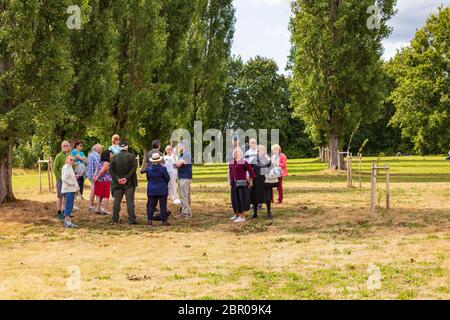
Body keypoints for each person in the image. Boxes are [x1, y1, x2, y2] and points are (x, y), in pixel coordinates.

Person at [109, 141, 138, 225]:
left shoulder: (114, 157)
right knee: (130, 202)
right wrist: (126, 178)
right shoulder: (132, 156)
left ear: (119, 147)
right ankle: (132, 219)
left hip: (117, 183)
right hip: (129, 183)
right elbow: (134, 168)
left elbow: (111, 170)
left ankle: (115, 219)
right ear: (127, 147)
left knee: (116, 202)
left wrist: (118, 179)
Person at [229, 148, 256, 223]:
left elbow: (252, 172)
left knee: (241, 200)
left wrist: (250, 181)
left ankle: (242, 217)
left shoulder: (243, 162)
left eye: (237, 153)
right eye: (234, 153)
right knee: (235, 200)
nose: (236, 154)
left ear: (241, 154)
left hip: (242, 184)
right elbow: (230, 173)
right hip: (234, 184)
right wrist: (230, 181)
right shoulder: (231, 162)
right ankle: (237, 214)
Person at [146, 153, 171, 227]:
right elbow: (167, 178)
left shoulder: (148, 169)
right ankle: (164, 221)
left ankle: (149, 220)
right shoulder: (163, 168)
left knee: (151, 205)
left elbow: (148, 178)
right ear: (159, 160)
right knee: (163, 205)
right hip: (162, 189)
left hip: (151, 189)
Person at [250, 145, 273, 219]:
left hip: (265, 180)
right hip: (256, 180)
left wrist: (268, 158)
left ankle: (269, 212)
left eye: (259, 150)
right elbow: (250, 167)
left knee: (267, 197)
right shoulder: (254, 159)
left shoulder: (267, 158)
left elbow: (269, 166)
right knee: (255, 197)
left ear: (263, 151)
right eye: (257, 150)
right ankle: (255, 213)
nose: (257, 152)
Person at [54, 141, 71, 220]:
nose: (65, 147)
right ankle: (59, 212)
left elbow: (72, 167)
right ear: (61, 147)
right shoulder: (58, 156)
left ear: (69, 147)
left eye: (67, 145)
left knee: (66, 197)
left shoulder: (70, 156)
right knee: (60, 196)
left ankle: (65, 212)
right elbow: (55, 169)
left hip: (68, 180)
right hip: (60, 180)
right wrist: (60, 178)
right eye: (64, 145)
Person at [175, 140, 193, 218]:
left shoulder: (186, 154)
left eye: (179, 145)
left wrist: (175, 163)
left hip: (184, 177)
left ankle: (186, 213)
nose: (178, 147)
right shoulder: (182, 154)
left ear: (184, 145)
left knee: (183, 196)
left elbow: (178, 164)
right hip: (182, 177)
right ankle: (187, 211)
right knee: (185, 195)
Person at [61, 155, 80, 228]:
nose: (72, 161)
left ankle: (67, 221)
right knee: (69, 205)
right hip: (68, 189)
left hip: (71, 189)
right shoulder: (66, 167)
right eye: (71, 160)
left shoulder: (70, 167)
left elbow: (69, 176)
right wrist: (71, 183)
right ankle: (67, 221)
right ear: (67, 160)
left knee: (70, 204)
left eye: (73, 160)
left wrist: (75, 176)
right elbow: (64, 179)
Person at [93, 150, 113, 215]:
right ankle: (105, 210)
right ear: (107, 155)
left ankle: (98, 209)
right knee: (106, 196)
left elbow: (96, 170)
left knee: (99, 195)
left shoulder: (100, 162)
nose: (111, 156)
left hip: (98, 181)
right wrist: (97, 177)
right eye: (110, 155)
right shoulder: (106, 163)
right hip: (105, 181)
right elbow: (101, 171)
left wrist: (95, 177)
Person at [87, 144, 103, 211]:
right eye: (100, 148)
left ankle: (93, 205)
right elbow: (98, 166)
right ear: (97, 149)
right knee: (94, 190)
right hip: (95, 175)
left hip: (91, 175)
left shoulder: (90, 155)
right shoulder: (96, 155)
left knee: (93, 190)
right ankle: (92, 205)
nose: (101, 150)